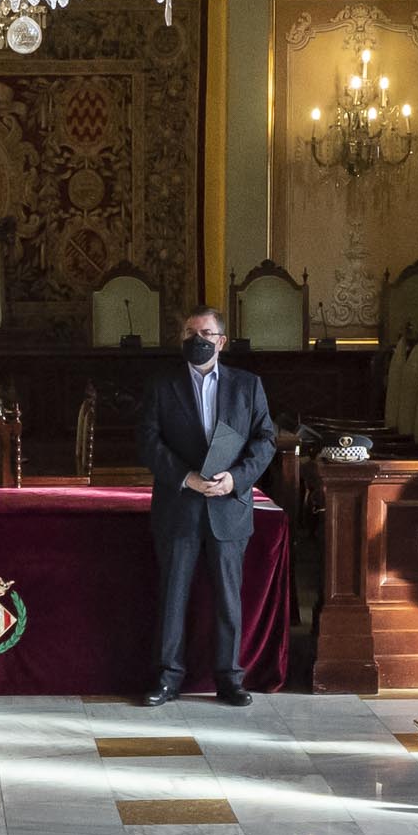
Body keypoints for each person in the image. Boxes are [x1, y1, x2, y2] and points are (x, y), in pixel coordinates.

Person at [136, 304, 276, 709]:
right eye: (190, 334)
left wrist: (236, 478)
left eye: (205, 334)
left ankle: (230, 679)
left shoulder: (247, 385)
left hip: (228, 505)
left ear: (222, 341)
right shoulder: (162, 385)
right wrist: (186, 477)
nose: (197, 341)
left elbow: (265, 439)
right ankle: (167, 679)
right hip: (179, 505)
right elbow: (148, 440)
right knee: (172, 596)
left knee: (228, 599)